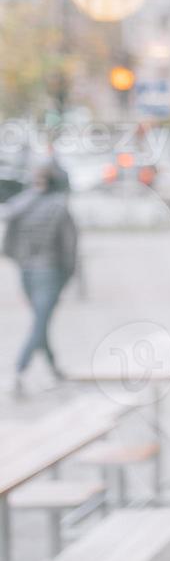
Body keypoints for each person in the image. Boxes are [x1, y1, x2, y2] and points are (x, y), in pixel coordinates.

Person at [3, 160, 76, 389]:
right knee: (40, 323)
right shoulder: (59, 207)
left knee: (40, 321)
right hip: (49, 271)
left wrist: (20, 260)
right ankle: (20, 369)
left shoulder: (20, 205)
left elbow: (8, 242)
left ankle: (53, 368)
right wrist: (67, 275)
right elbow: (69, 246)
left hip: (27, 271)